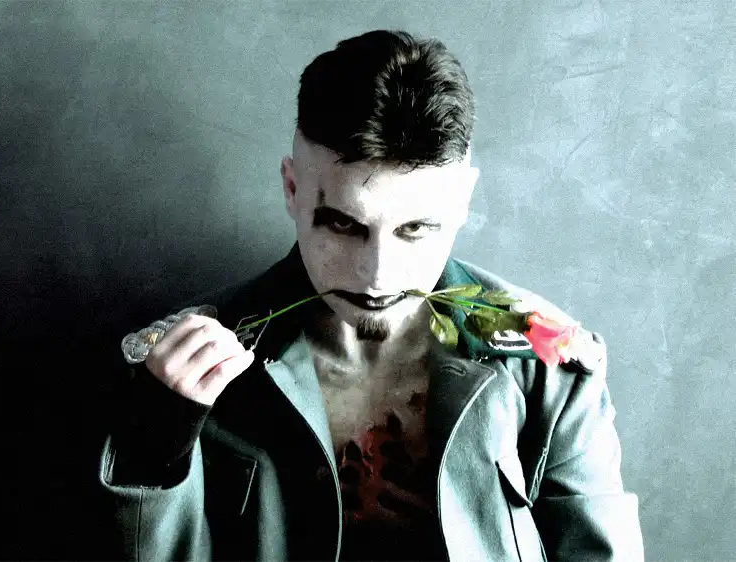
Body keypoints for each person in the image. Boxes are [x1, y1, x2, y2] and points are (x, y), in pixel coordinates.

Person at [99, 29, 644, 561]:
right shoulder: (185, 369)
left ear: (462, 202)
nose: (378, 275)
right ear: (292, 189)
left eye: (416, 229)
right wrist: (158, 442)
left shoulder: (547, 360)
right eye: (343, 224)